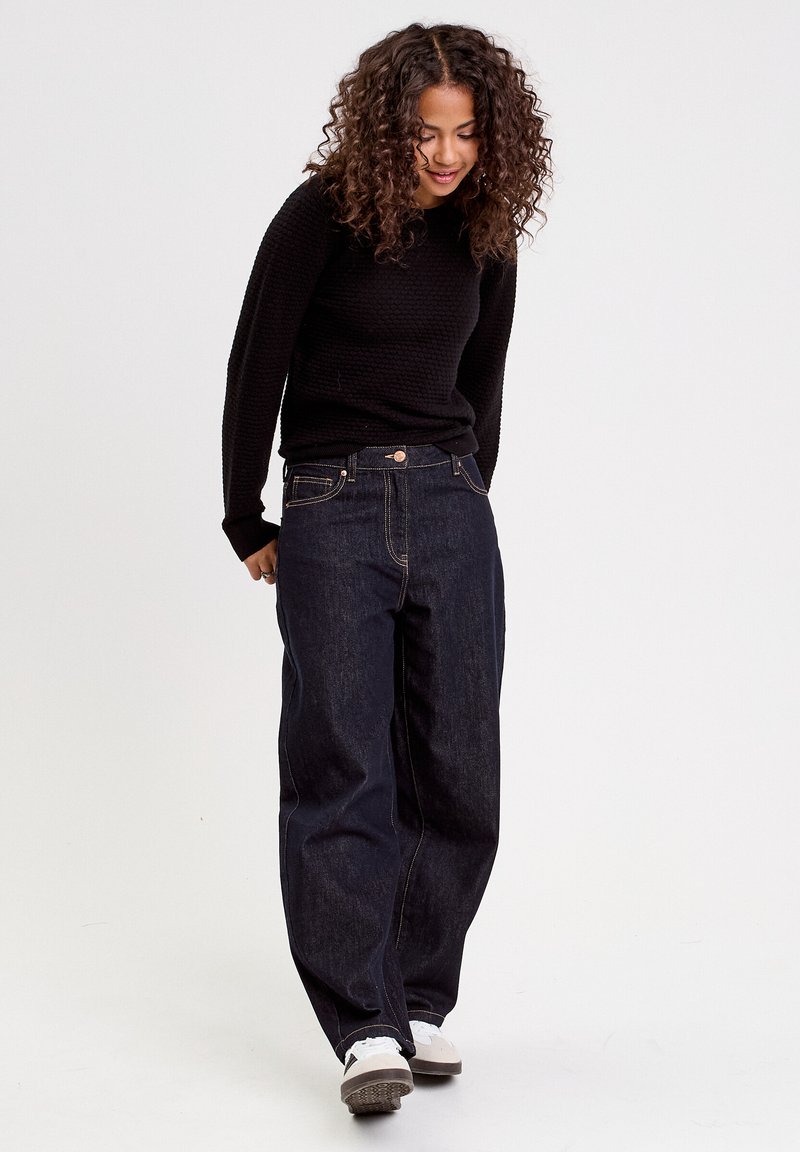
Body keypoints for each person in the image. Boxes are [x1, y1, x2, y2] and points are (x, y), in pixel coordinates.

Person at [221, 21, 552, 1115]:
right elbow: (257, 363)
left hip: (451, 507)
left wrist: (466, 494)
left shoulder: (484, 232)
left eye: (466, 132)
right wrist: (245, 515)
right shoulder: (318, 216)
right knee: (341, 763)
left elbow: (484, 379)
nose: (447, 154)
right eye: (424, 132)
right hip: (331, 504)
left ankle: (416, 999)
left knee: (458, 763)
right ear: (385, 128)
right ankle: (362, 1025)